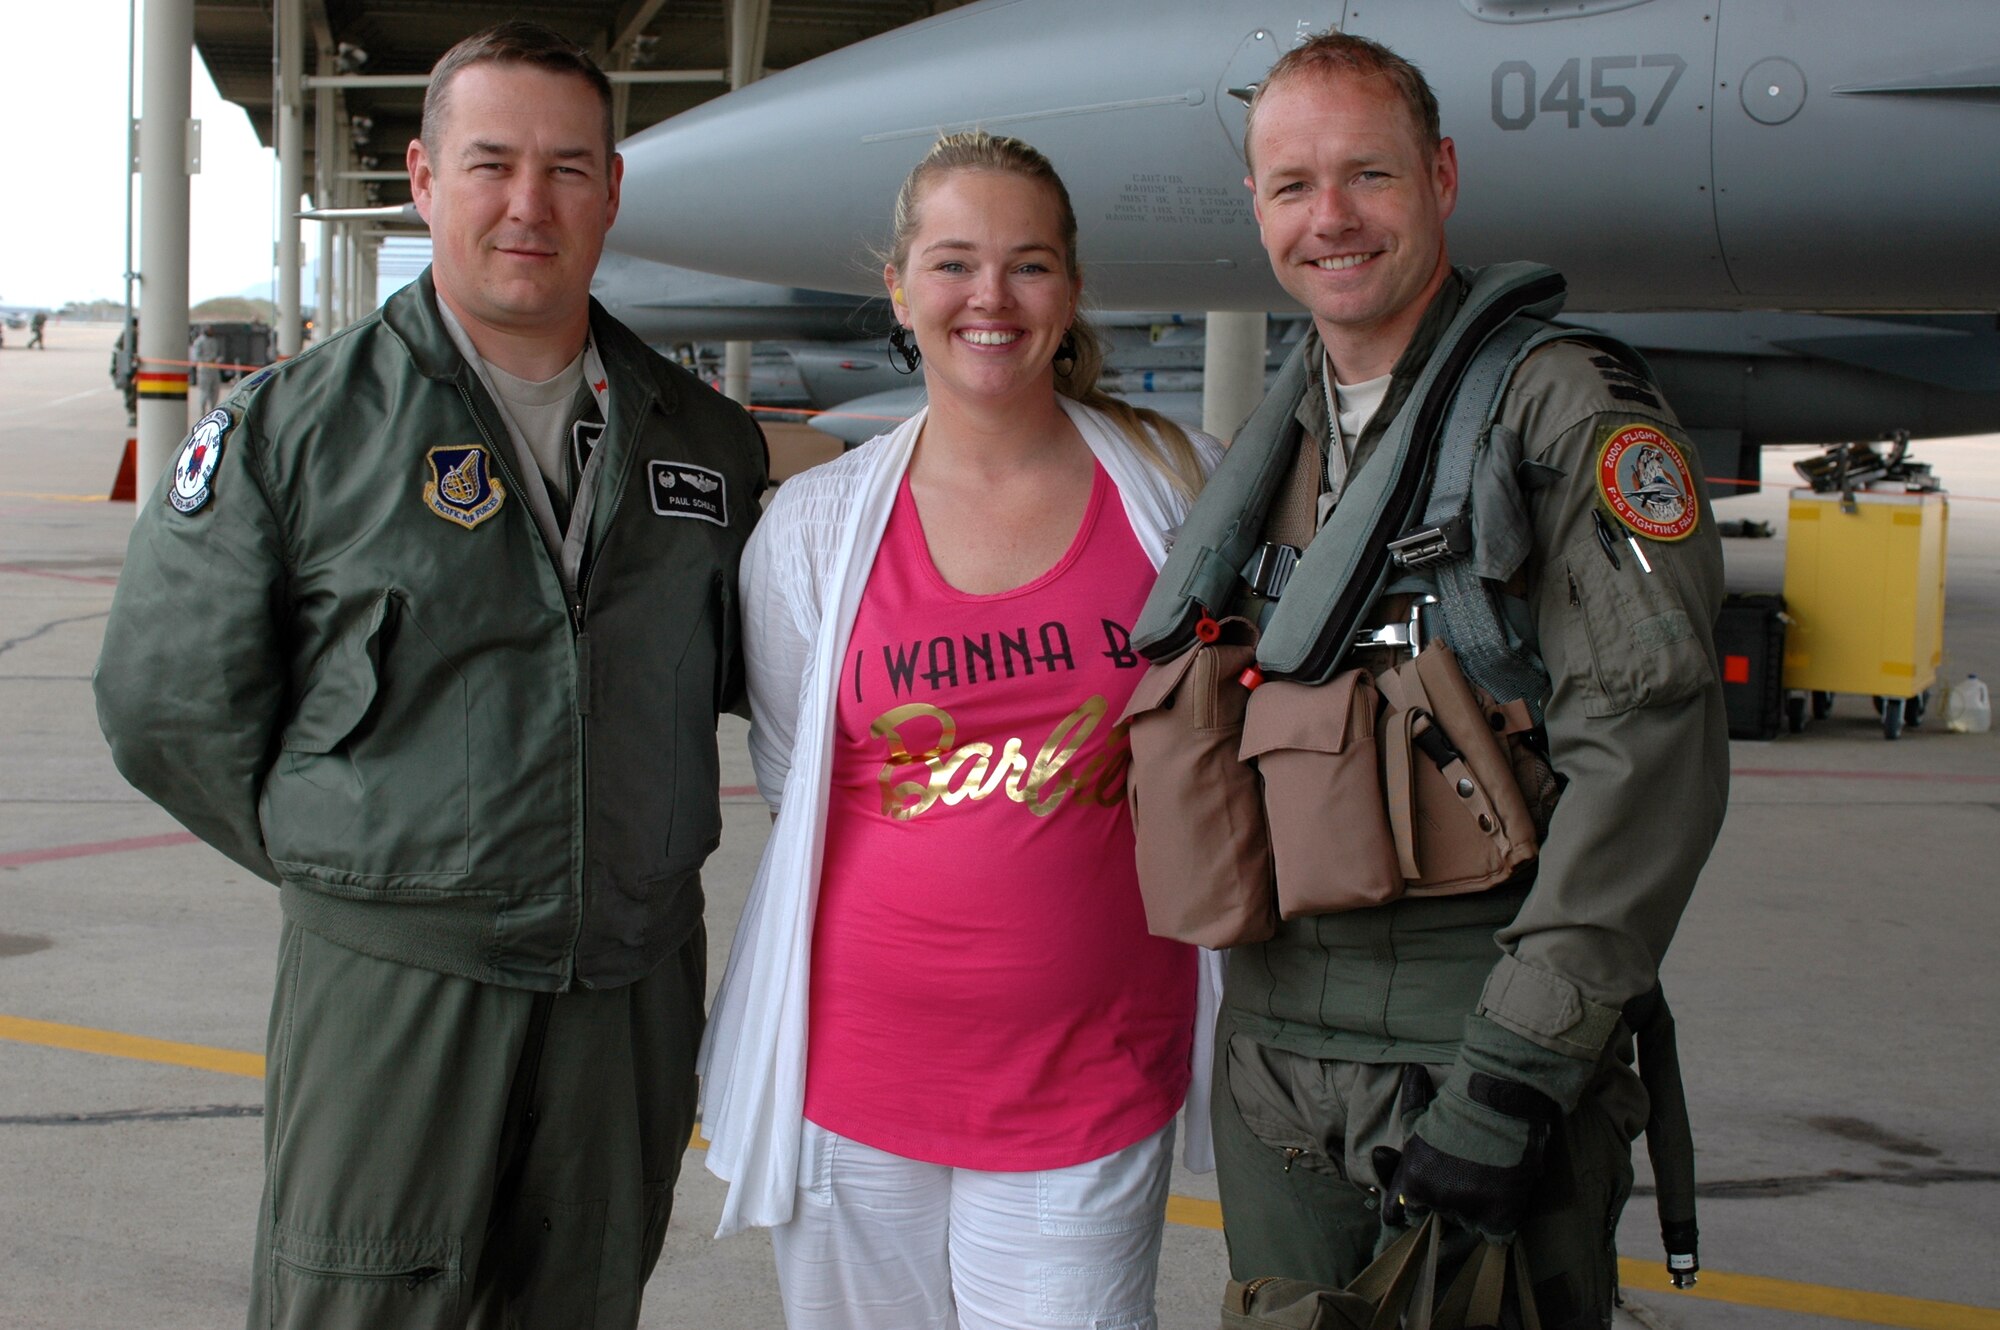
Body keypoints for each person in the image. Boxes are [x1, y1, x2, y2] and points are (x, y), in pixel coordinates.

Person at [93, 21, 764, 1329]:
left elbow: (750, 673)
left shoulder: (708, 443)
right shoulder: (295, 429)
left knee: (586, 1295)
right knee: (361, 1304)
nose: (530, 203)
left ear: (612, 191)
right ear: (421, 176)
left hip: (624, 990)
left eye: (570, 168)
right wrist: (365, 857)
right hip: (397, 987)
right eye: (492, 162)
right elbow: (163, 705)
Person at [1128, 31, 1728, 1322]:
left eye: (1369, 176)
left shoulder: (1561, 414)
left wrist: (1519, 1070)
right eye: (1292, 186)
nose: (1330, 218)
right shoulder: (1264, 451)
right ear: (1257, 206)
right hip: (1278, 1054)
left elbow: (1648, 753)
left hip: (1477, 1042)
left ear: (1442, 175)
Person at [699, 130, 1222, 1330]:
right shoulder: (815, 527)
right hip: (856, 1075)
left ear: (1071, 288)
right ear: (896, 284)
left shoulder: (1176, 488)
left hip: (1088, 1074)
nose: (989, 298)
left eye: (1027, 265)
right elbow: (797, 776)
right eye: (952, 263)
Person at [190, 323, 223, 411]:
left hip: (214, 368)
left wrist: (218, 359)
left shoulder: (214, 341)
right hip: (204, 369)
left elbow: (218, 353)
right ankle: (202, 409)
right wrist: (207, 360)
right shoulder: (199, 342)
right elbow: (196, 357)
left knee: (215, 390)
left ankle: (212, 408)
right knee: (205, 391)